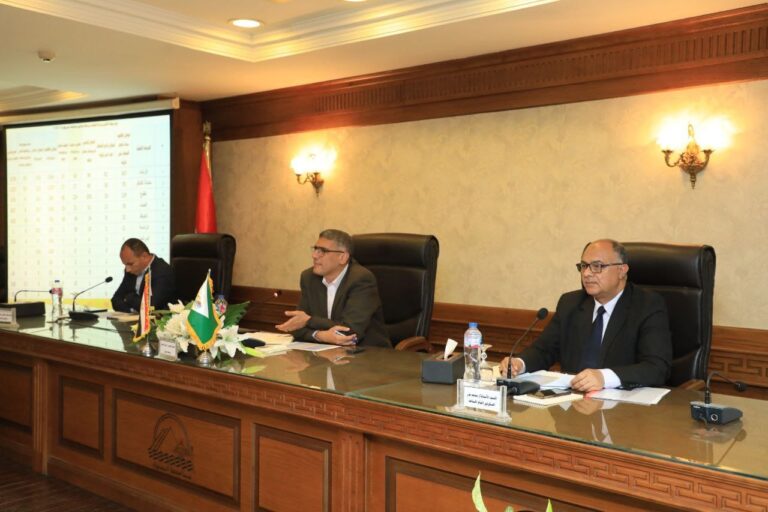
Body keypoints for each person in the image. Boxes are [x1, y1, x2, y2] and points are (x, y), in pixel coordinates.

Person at [501, 239, 672, 392]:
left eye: (597, 266)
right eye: (583, 266)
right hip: (571, 401)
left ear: (622, 270)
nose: (587, 274)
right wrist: (519, 363)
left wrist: (603, 377)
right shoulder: (570, 303)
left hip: (623, 407)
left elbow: (656, 367)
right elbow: (544, 350)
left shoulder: (647, 305)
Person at [276, 229, 391, 348]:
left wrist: (309, 321)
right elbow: (297, 328)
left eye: (322, 251)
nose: (314, 255)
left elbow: (350, 332)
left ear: (342, 257)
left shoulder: (361, 279)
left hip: (367, 352)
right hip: (326, 352)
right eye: (315, 249)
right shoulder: (309, 278)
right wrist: (320, 336)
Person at [111, 238, 177, 313]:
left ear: (144, 256)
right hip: (134, 318)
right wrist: (131, 310)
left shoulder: (162, 271)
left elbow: (151, 306)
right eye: (125, 264)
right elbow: (115, 300)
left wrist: (129, 298)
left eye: (130, 264)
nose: (127, 269)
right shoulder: (130, 271)